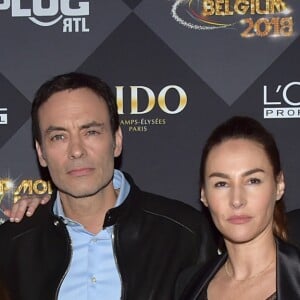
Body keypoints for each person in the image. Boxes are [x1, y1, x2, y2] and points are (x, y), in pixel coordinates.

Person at [0, 72, 218, 300]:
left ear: (117, 141)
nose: (76, 150)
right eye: (58, 137)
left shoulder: (185, 235)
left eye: (91, 132)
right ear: (41, 152)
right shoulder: (12, 245)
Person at [176, 116, 300, 299]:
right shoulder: (188, 284)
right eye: (221, 184)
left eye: (253, 181)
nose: (236, 200)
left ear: (279, 185)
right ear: (204, 194)